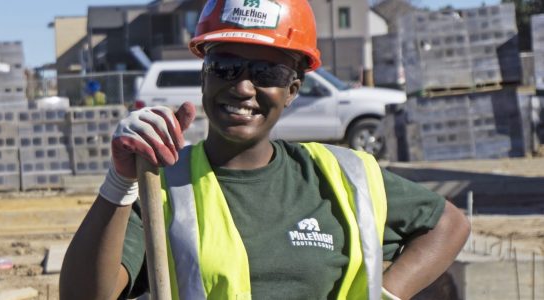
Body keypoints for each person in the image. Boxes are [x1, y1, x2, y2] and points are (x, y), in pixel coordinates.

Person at [59, 0, 470, 299]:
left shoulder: (342, 175)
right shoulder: (161, 185)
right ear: (204, 78)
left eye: (266, 72)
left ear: (292, 90)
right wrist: (120, 181)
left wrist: (388, 294)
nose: (242, 86)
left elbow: (449, 224)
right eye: (225, 67)